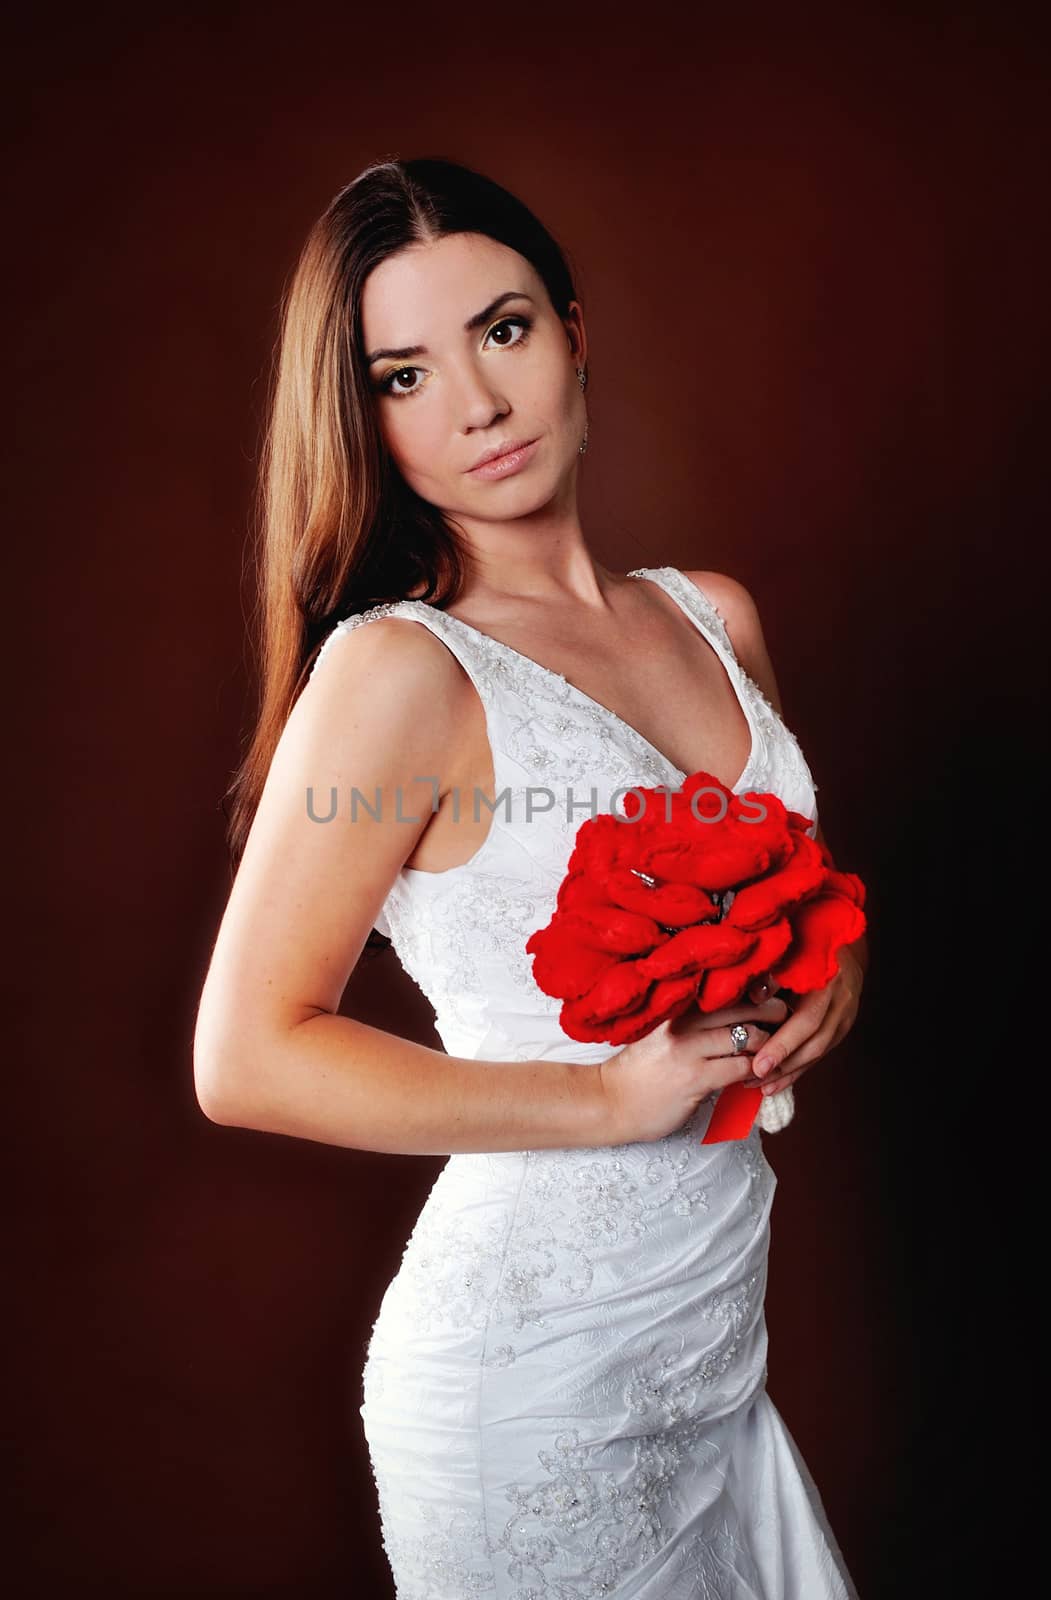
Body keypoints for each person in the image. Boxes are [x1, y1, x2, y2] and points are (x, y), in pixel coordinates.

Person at [194, 156, 867, 1598]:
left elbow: (787, 881)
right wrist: (604, 1097)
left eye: (500, 331)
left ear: (572, 332)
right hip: (527, 1384)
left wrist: (832, 967)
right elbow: (244, 1056)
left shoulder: (711, 617)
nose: (478, 406)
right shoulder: (397, 672)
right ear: (363, 419)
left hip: (706, 1353)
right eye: (403, 375)